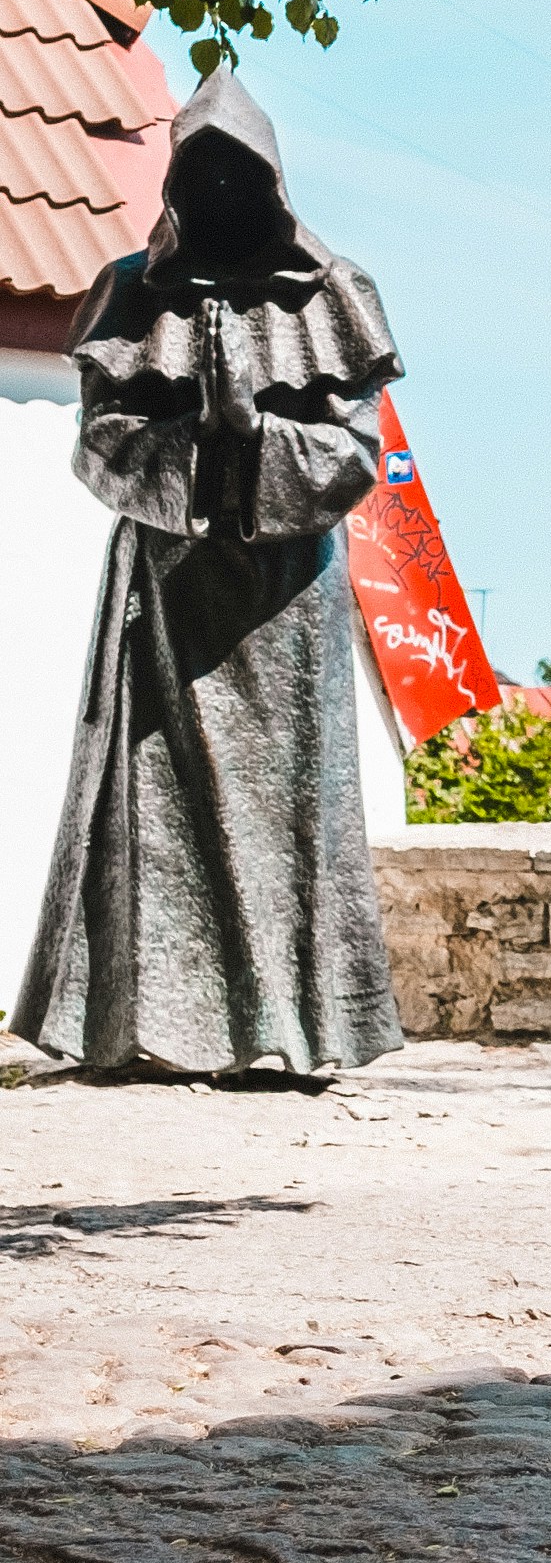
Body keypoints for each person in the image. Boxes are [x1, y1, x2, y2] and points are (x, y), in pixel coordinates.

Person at [13, 70, 405, 1079]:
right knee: (154, 800)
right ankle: (143, 1025)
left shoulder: (333, 295)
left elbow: (354, 456)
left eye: (243, 176)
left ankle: (286, 1027)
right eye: (205, 176)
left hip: (285, 599)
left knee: (287, 813)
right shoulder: (132, 293)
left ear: (272, 183)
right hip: (167, 587)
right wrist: (197, 442)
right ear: (178, 188)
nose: (224, 197)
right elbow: (100, 442)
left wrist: (257, 434)